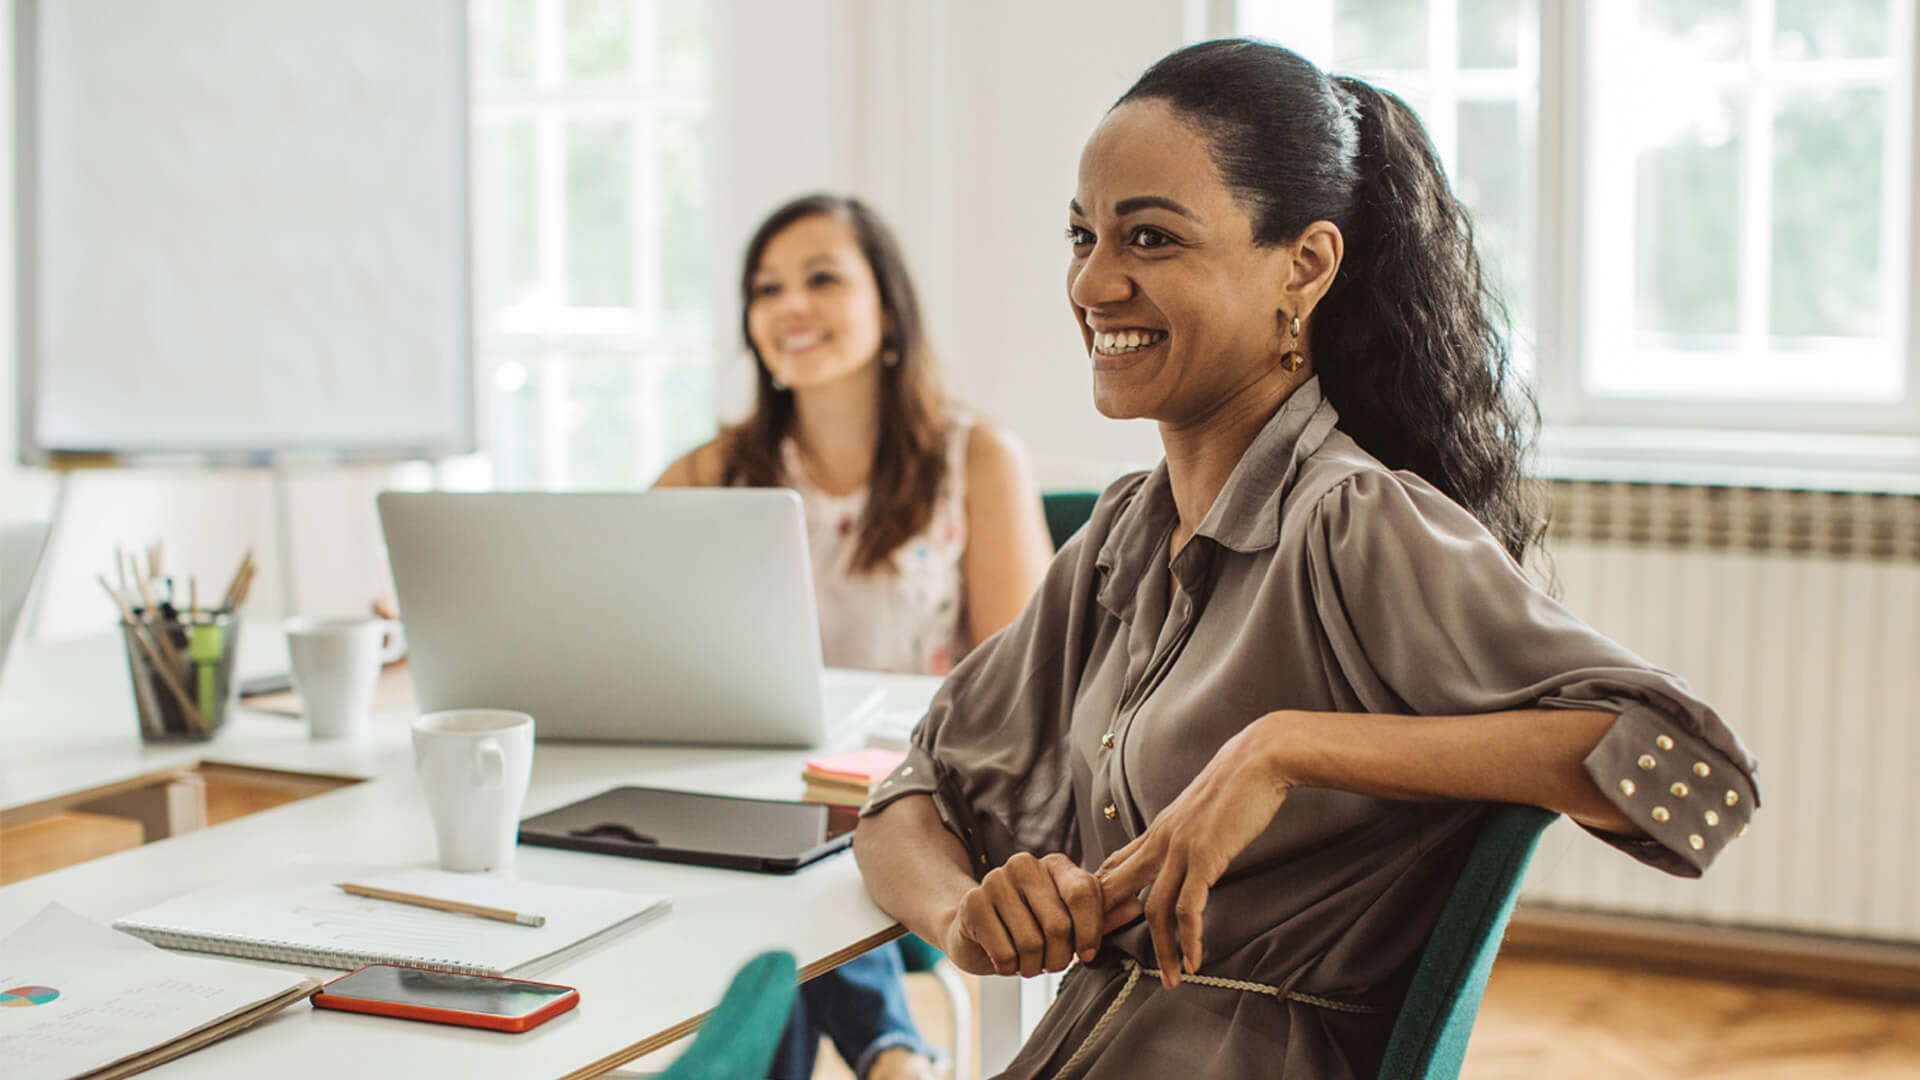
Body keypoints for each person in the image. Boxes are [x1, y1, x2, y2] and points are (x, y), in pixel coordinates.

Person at [853, 39, 1759, 1080]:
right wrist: (965, 915)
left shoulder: (1355, 523)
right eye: (1082, 235)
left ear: (1306, 266)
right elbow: (907, 799)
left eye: (1149, 237)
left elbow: (1697, 773)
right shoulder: (1122, 539)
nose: (1095, 282)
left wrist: (1289, 749)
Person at [657, 194, 1055, 1080]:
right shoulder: (712, 472)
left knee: (813, 849)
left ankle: (884, 1053)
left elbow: (1027, 696)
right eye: (766, 289)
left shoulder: (977, 459)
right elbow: (607, 613)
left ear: (888, 312)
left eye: (822, 278)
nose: (788, 306)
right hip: (758, 795)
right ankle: (894, 1057)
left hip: (924, 802)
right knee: (772, 842)